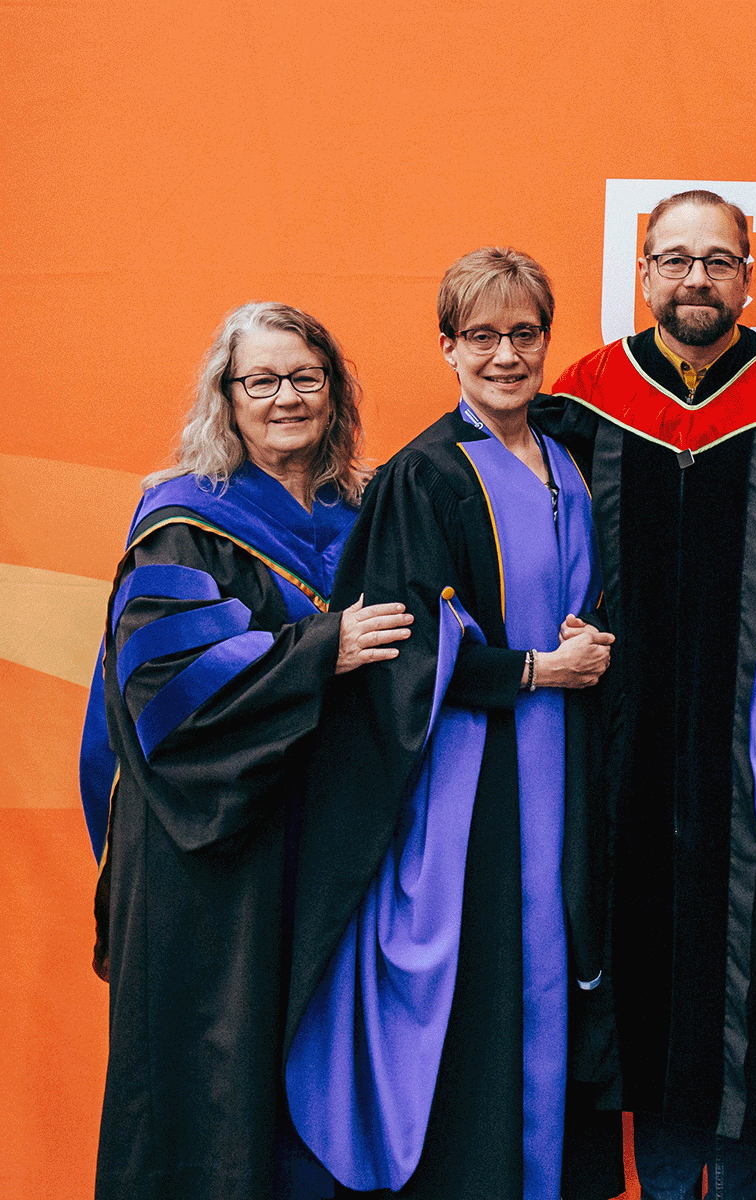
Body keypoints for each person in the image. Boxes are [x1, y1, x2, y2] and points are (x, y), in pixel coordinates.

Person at [282, 247, 623, 1199]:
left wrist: (587, 636)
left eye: (523, 334)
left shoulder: (565, 456)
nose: (506, 355)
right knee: (489, 983)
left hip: (561, 762)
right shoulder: (424, 475)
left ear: (546, 342)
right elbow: (401, 645)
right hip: (474, 776)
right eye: (482, 336)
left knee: (554, 971)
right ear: (447, 347)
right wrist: (533, 667)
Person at [536, 190, 756, 1197]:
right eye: (674, 260)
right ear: (644, 275)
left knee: (750, 946)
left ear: (749, 272)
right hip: (625, 736)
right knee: (643, 943)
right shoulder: (584, 397)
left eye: (717, 260)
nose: (695, 279)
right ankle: (663, 1176)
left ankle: (750, 1172)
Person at [81, 301, 411, 1200]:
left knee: (319, 1068)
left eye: (306, 378)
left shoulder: (369, 510)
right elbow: (169, 698)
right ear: (225, 397)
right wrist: (320, 651)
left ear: (334, 394)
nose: (285, 399)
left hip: (329, 838)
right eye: (260, 381)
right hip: (213, 853)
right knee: (211, 1078)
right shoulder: (185, 520)